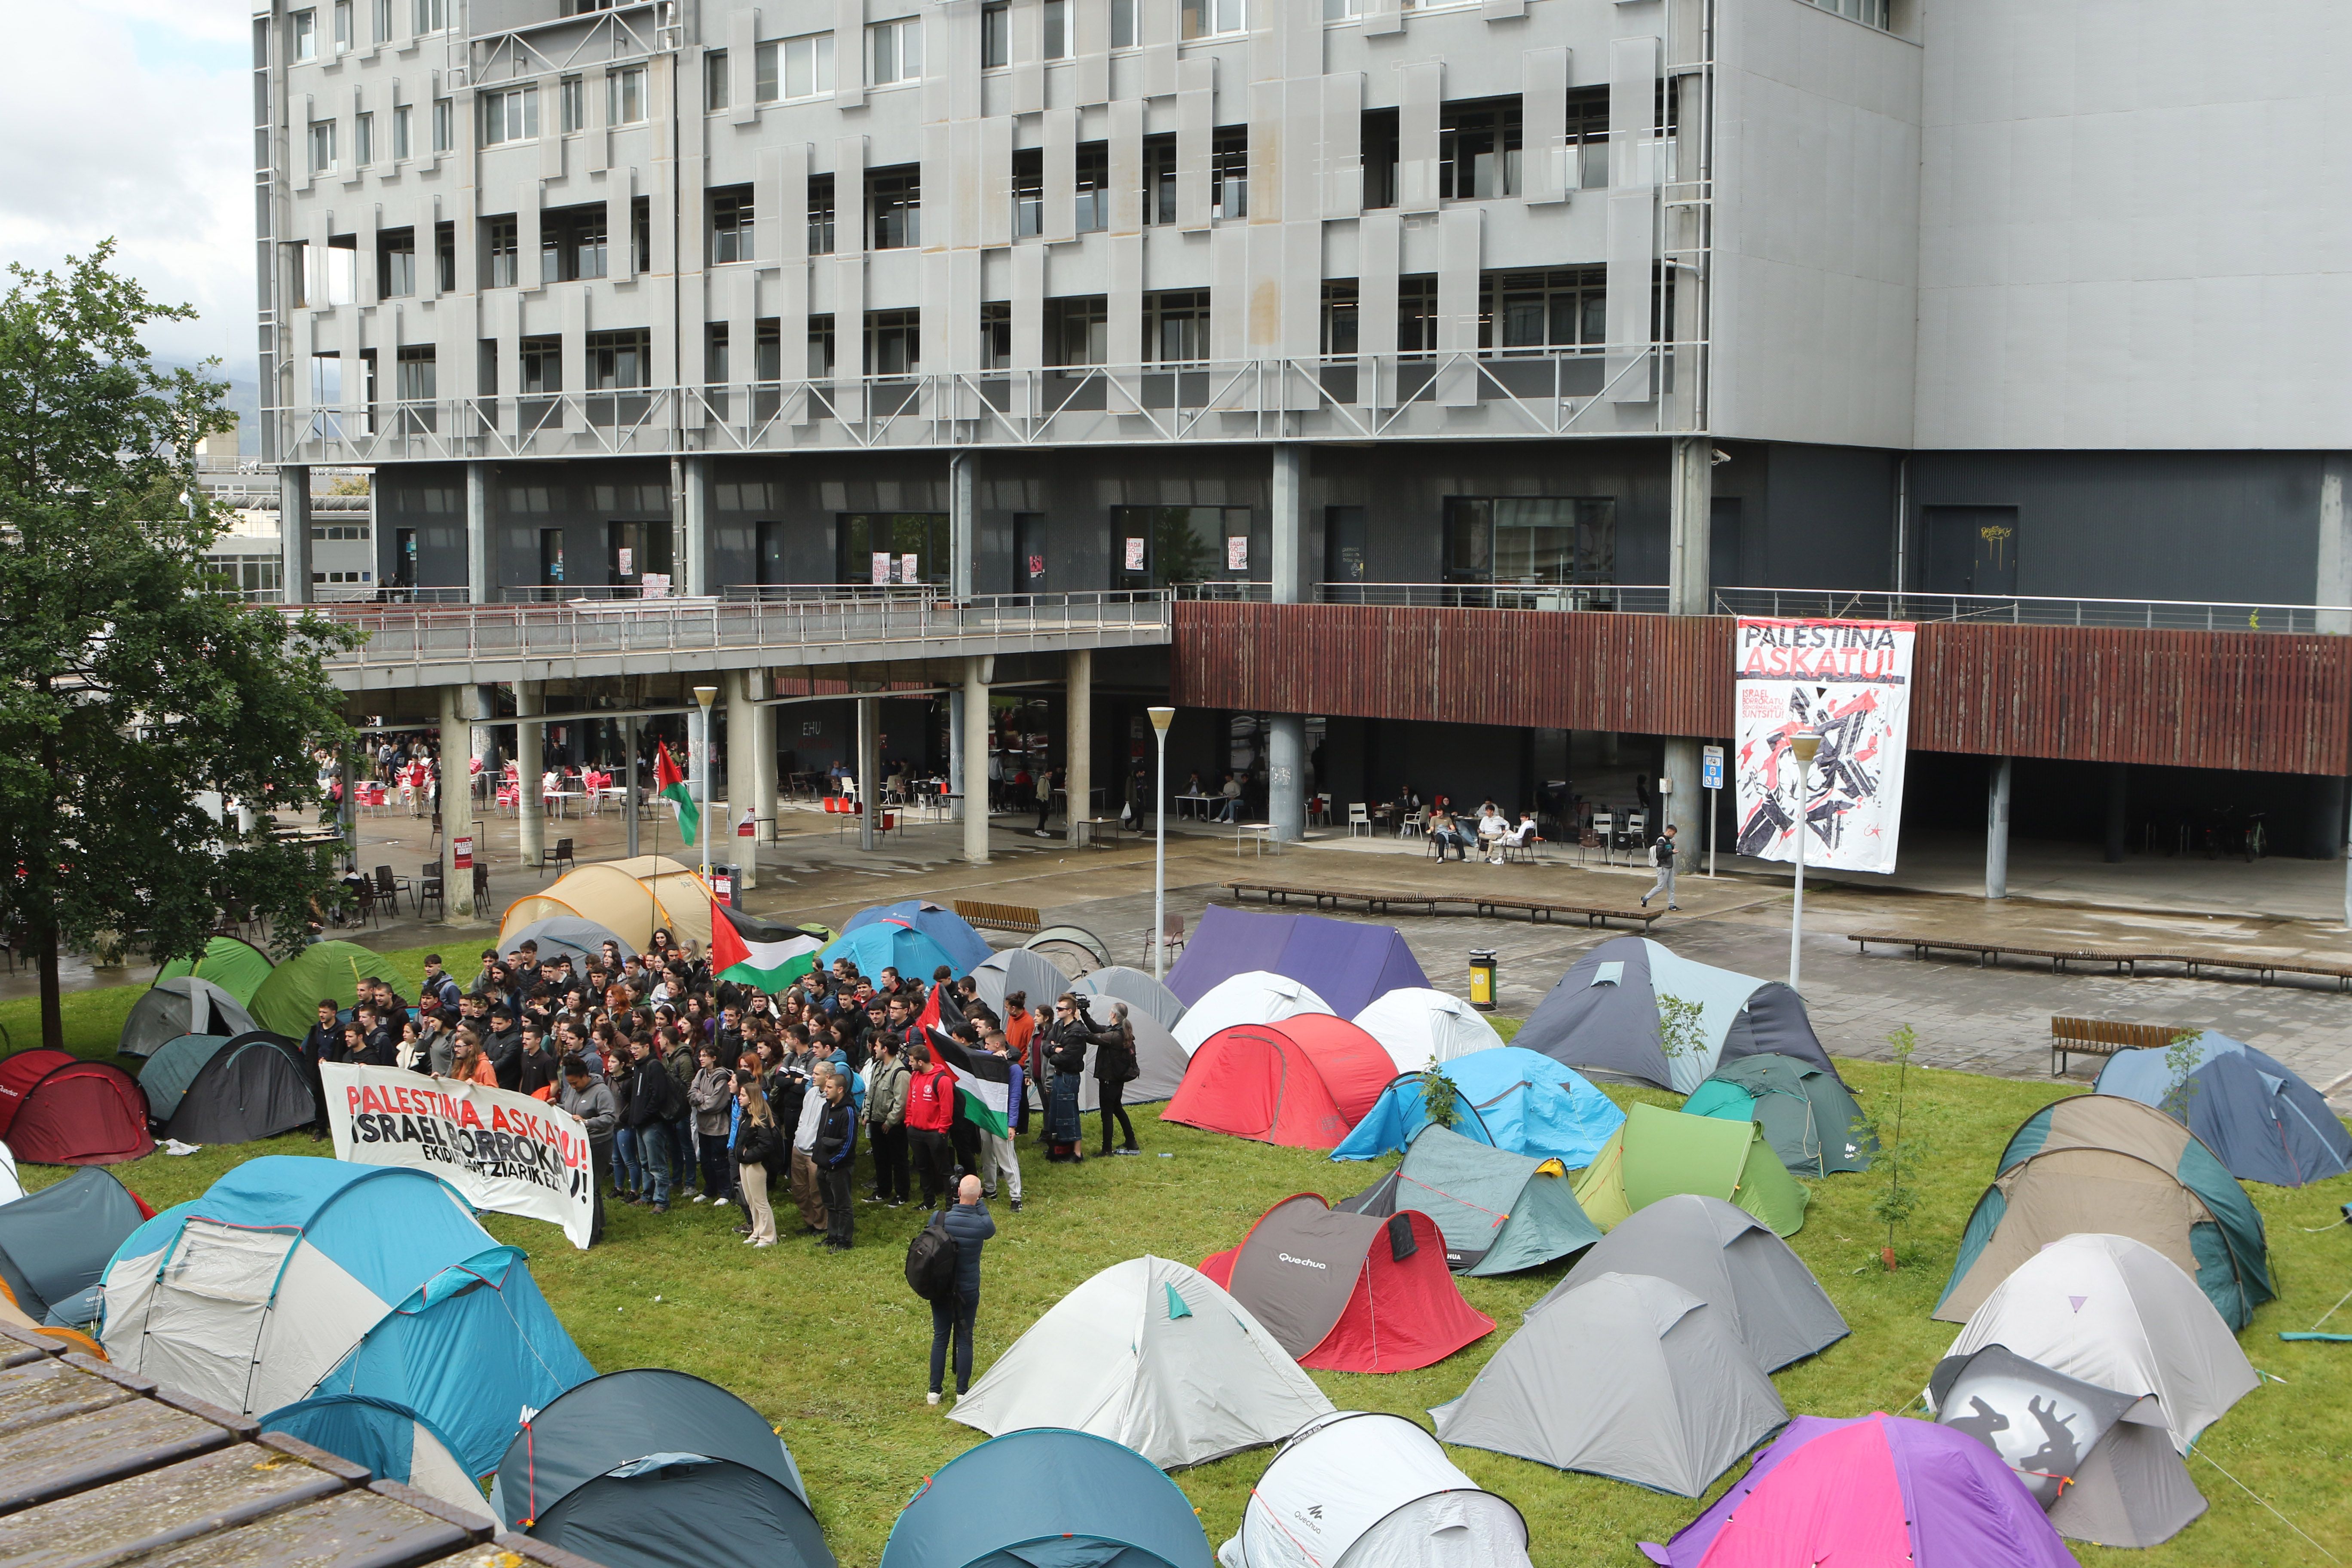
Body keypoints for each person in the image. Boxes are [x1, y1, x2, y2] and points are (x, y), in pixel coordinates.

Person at [926, 1175, 996, 1406]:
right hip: (967, 1291)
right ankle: (962, 1393)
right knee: (965, 1340)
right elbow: (989, 1225)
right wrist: (979, 1201)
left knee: (940, 1338)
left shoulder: (939, 1218)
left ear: (957, 1193)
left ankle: (934, 1393)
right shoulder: (982, 1225)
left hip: (941, 1290)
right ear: (979, 1196)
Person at [558, 1055, 619, 1245]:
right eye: (570, 1084)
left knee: (589, 1187)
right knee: (592, 1188)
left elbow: (610, 1118)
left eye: (575, 1083)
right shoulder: (573, 1089)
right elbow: (569, 1110)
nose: (573, 1087)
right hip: (579, 1145)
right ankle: (596, 1227)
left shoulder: (602, 1092)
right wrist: (555, 1108)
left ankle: (591, 1232)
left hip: (598, 1145)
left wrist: (587, 1123)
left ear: (585, 1076)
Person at [904, 1041, 957, 1208]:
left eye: (911, 1061)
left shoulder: (942, 1081)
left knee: (944, 1170)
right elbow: (910, 1102)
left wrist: (942, 1130)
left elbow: (947, 1108)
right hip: (916, 1131)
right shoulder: (915, 1076)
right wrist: (909, 1123)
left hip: (935, 1133)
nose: (909, 1064)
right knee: (923, 1167)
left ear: (921, 1062)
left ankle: (951, 1203)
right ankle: (929, 1201)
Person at [730, 1073, 781, 1247]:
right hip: (745, 1164)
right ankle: (757, 1231)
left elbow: (767, 1146)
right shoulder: (746, 1116)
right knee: (751, 1199)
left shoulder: (761, 1119)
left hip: (756, 1165)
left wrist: (748, 1156)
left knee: (760, 1200)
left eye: (743, 1095)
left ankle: (769, 1236)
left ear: (752, 1099)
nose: (740, 1097)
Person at [978, 1029, 1025, 1211]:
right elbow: (974, 1053)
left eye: (988, 1045)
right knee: (987, 1154)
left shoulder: (1013, 1069)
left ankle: (1016, 1197)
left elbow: (1015, 1097)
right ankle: (990, 1190)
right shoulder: (990, 1060)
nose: (985, 1047)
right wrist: (991, 1054)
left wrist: (1012, 1124)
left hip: (1002, 1118)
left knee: (1006, 1158)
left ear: (998, 1045)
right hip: (988, 1115)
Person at [865, 1036, 910, 1207]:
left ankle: (902, 1194)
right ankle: (883, 1190)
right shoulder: (878, 1066)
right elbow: (872, 1091)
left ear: (885, 1049)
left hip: (893, 1125)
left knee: (899, 1159)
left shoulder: (900, 1073)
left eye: (877, 1045)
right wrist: (866, 1113)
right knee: (880, 1158)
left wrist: (890, 1122)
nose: (874, 1049)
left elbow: (902, 1102)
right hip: (876, 1120)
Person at [815, 1071, 858, 1251]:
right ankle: (832, 1236)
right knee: (829, 1204)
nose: (825, 1090)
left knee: (843, 1205)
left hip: (838, 1167)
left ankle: (844, 1240)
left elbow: (849, 1142)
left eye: (830, 1087)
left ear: (840, 1090)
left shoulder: (848, 1112)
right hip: (823, 1165)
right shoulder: (827, 1107)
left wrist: (834, 1162)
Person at [1093, 1001, 1141, 1158]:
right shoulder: (1119, 1030)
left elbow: (1093, 1037)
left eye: (1110, 1012)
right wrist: (1083, 1016)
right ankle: (1131, 1141)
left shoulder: (1115, 1036)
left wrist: (1076, 1027)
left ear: (1113, 1015)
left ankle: (1107, 1149)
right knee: (1117, 1108)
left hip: (1109, 1080)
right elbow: (1095, 1029)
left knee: (1107, 1113)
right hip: (1117, 1079)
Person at [690, 1043, 736, 1204]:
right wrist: (703, 1098)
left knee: (719, 1160)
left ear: (714, 1058)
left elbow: (716, 1103)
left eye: (705, 1056)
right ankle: (709, 1189)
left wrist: (700, 1100)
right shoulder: (701, 1073)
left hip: (718, 1127)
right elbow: (691, 1094)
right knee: (705, 1160)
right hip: (703, 1126)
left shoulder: (722, 1077)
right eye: (700, 1055)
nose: (701, 1059)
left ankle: (725, 1192)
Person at [788, 1061, 830, 1235]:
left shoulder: (831, 1098)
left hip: (814, 1152)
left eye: (817, 1074)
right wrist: (797, 1139)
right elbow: (803, 1117)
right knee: (799, 1189)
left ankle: (822, 1225)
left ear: (828, 1077)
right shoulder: (811, 1093)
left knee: (817, 1191)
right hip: (799, 1147)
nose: (813, 1076)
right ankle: (810, 1222)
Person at [1642, 822, 1681, 910]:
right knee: (1660, 887)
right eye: (1674, 833)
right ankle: (1645, 898)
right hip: (1663, 867)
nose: (1674, 835)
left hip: (1669, 866)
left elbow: (1666, 850)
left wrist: (1672, 847)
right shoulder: (1661, 840)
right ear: (1670, 831)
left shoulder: (1667, 840)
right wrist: (1672, 852)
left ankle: (1672, 905)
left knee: (1672, 886)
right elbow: (1660, 854)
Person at [1033, 765, 1056, 837]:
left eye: (1051, 774)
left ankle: (1042, 830)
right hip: (1041, 800)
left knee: (1045, 815)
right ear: (1045, 773)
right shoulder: (1043, 780)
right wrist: (1042, 799)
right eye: (1048, 774)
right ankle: (1039, 830)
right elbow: (1040, 791)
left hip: (1044, 800)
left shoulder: (1046, 780)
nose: (1050, 775)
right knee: (1043, 815)